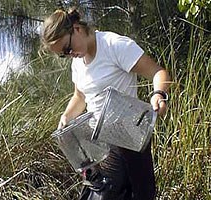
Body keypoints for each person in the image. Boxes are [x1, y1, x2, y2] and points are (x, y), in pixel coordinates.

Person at [41, 8, 171, 200]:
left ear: (76, 28)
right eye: (63, 54)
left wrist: (159, 94)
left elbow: (158, 72)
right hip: (100, 144)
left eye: (67, 49)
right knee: (106, 192)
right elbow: (80, 96)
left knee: (141, 194)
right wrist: (66, 116)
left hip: (130, 135)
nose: (69, 55)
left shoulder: (114, 46)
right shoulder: (77, 62)